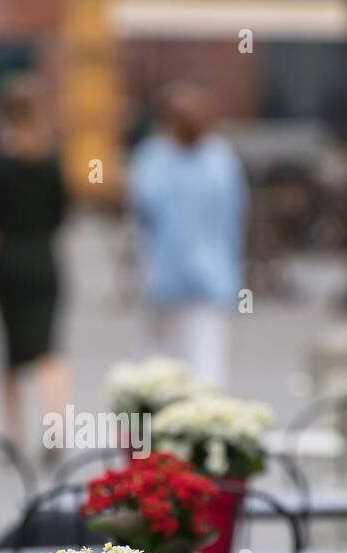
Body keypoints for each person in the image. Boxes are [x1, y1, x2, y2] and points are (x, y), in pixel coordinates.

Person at [127, 81, 248, 388]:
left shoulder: (154, 158)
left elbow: (143, 208)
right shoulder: (221, 160)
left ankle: (152, 432)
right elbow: (235, 214)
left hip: (164, 276)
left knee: (157, 365)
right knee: (207, 364)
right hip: (211, 276)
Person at [0, 74, 69, 454]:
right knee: (48, 349)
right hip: (44, 258)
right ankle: (55, 424)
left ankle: (13, 433)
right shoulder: (51, 159)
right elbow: (61, 213)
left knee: (10, 352)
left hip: (7, 259)